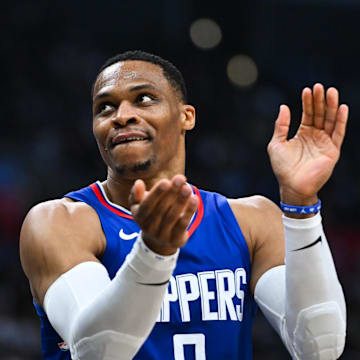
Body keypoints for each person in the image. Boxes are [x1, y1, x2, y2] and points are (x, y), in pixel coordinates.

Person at [20, 50, 348, 360]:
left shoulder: (252, 221)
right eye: (104, 107)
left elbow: (319, 347)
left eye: (143, 99)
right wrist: (153, 255)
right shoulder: (58, 222)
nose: (121, 116)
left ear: (185, 116)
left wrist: (301, 205)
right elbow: (97, 351)